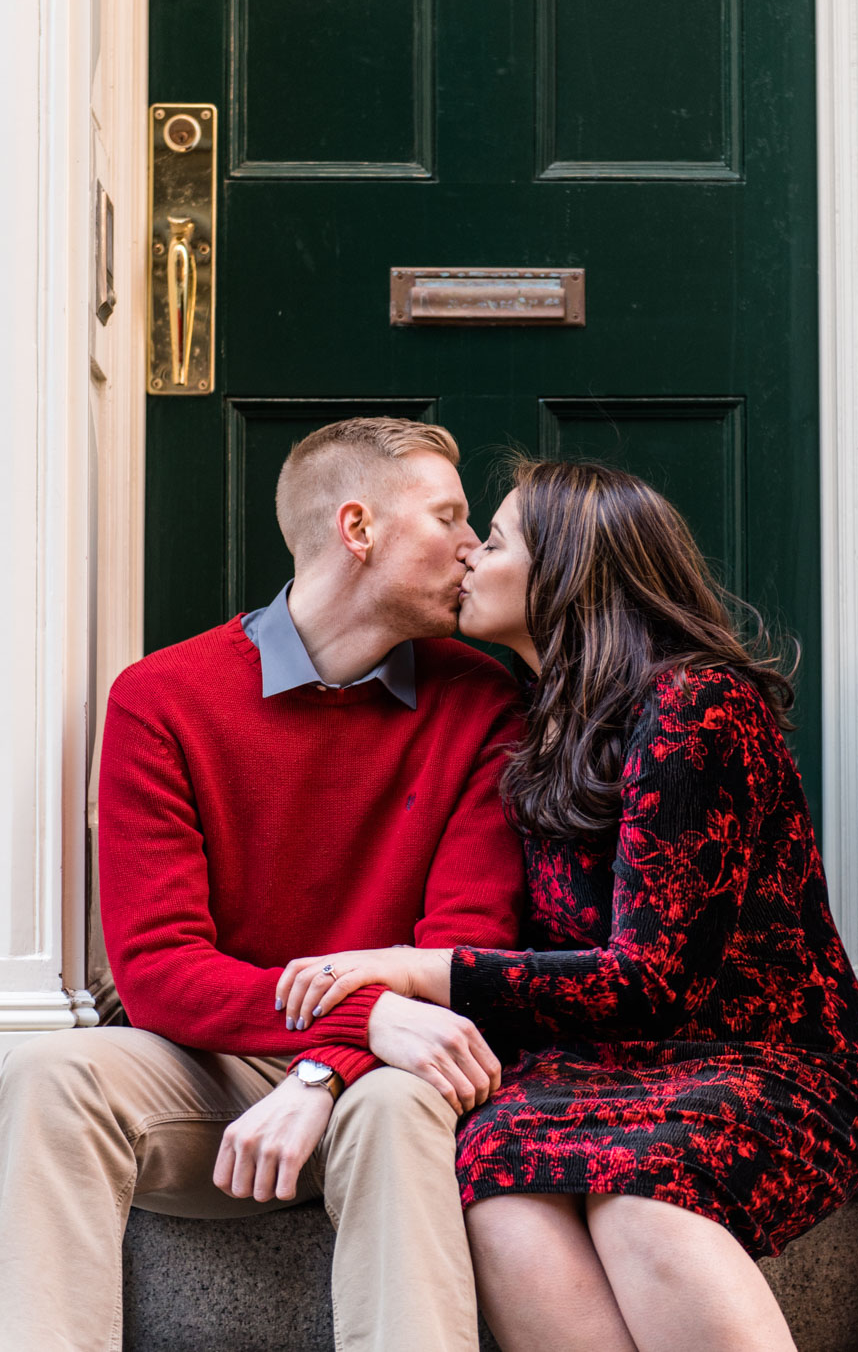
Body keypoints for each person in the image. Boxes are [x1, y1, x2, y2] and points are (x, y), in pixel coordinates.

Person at [282, 458, 858, 1352]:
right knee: (494, 1185)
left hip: (761, 1061)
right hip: (602, 1066)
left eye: (491, 541)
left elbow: (653, 982)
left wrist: (417, 971)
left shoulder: (698, 709)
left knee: (642, 1198)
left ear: (566, 569)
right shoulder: (543, 718)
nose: (467, 561)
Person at [0, 417, 526, 1352]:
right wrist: (359, 1019)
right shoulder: (163, 699)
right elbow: (160, 971)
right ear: (357, 529)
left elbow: (460, 953)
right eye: (449, 516)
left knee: (405, 1101)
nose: (473, 546)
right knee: (45, 1075)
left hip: (388, 1074)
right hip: (219, 1063)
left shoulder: (484, 703)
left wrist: (331, 1067)